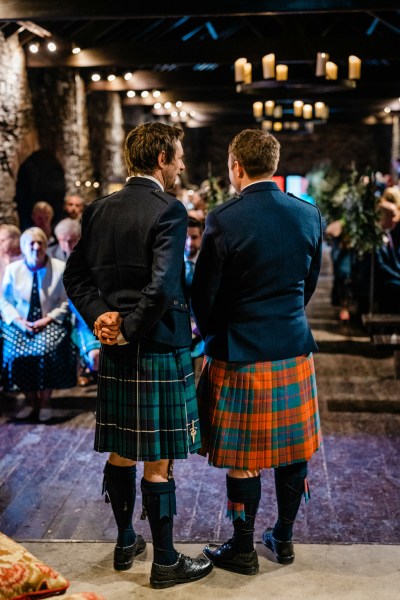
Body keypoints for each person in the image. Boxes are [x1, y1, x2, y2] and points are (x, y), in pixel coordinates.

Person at [63, 122, 212, 589]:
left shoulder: (98, 209)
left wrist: (103, 320)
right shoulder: (169, 209)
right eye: (179, 156)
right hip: (157, 346)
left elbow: (75, 279)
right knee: (160, 458)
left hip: (117, 350)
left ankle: (127, 539)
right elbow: (165, 285)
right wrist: (126, 328)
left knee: (123, 449)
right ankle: (166, 560)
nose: (183, 164)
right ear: (163, 158)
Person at [191, 129, 323, 574]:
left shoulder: (224, 218)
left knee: (244, 458)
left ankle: (243, 549)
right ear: (275, 162)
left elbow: (204, 295)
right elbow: (309, 283)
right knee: (293, 451)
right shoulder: (307, 214)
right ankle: (283, 539)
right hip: (292, 348)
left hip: (240, 352)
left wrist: (213, 339)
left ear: (236, 166)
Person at [0, 227, 76, 422]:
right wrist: (18, 320)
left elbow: (66, 301)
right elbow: (4, 300)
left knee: (46, 350)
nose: (36, 247)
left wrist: (47, 319)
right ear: (24, 247)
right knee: (15, 353)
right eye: (31, 243)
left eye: (40, 242)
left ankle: (45, 402)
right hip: (21, 322)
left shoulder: (60, 267)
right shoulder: (13, 269)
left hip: (49, 320)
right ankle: (30, 400)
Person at [49, 218, 100, 384]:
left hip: (82, 308)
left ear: (78, 238)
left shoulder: (90, 255)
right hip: (61, 307)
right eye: (62, 240)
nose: (66, 244)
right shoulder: (51, 256)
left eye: (70, 240)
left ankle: (90, 366)